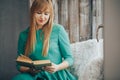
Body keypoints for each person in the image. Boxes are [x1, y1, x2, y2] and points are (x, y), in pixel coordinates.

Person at [12, 0, 76, 80]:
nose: (42, 17)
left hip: (55, 74)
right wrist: (30, 69)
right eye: (39, 13)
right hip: (33, 75)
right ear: (32, 13)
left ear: (50, 15)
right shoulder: (23, 35)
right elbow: (19, 65)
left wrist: (57, 67)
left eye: (46, 14)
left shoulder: (58, 30)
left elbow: (69, 58)